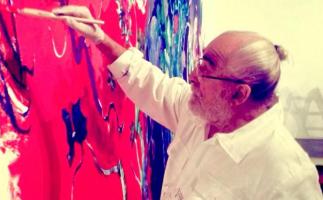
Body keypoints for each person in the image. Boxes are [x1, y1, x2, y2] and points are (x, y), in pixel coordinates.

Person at [53, 5, 323, 200]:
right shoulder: (201, 111)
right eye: (200, 61)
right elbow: (147, 81)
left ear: (239, 95)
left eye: (207, 68)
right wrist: (99, 38)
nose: (193, 75)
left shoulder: (286, 176)